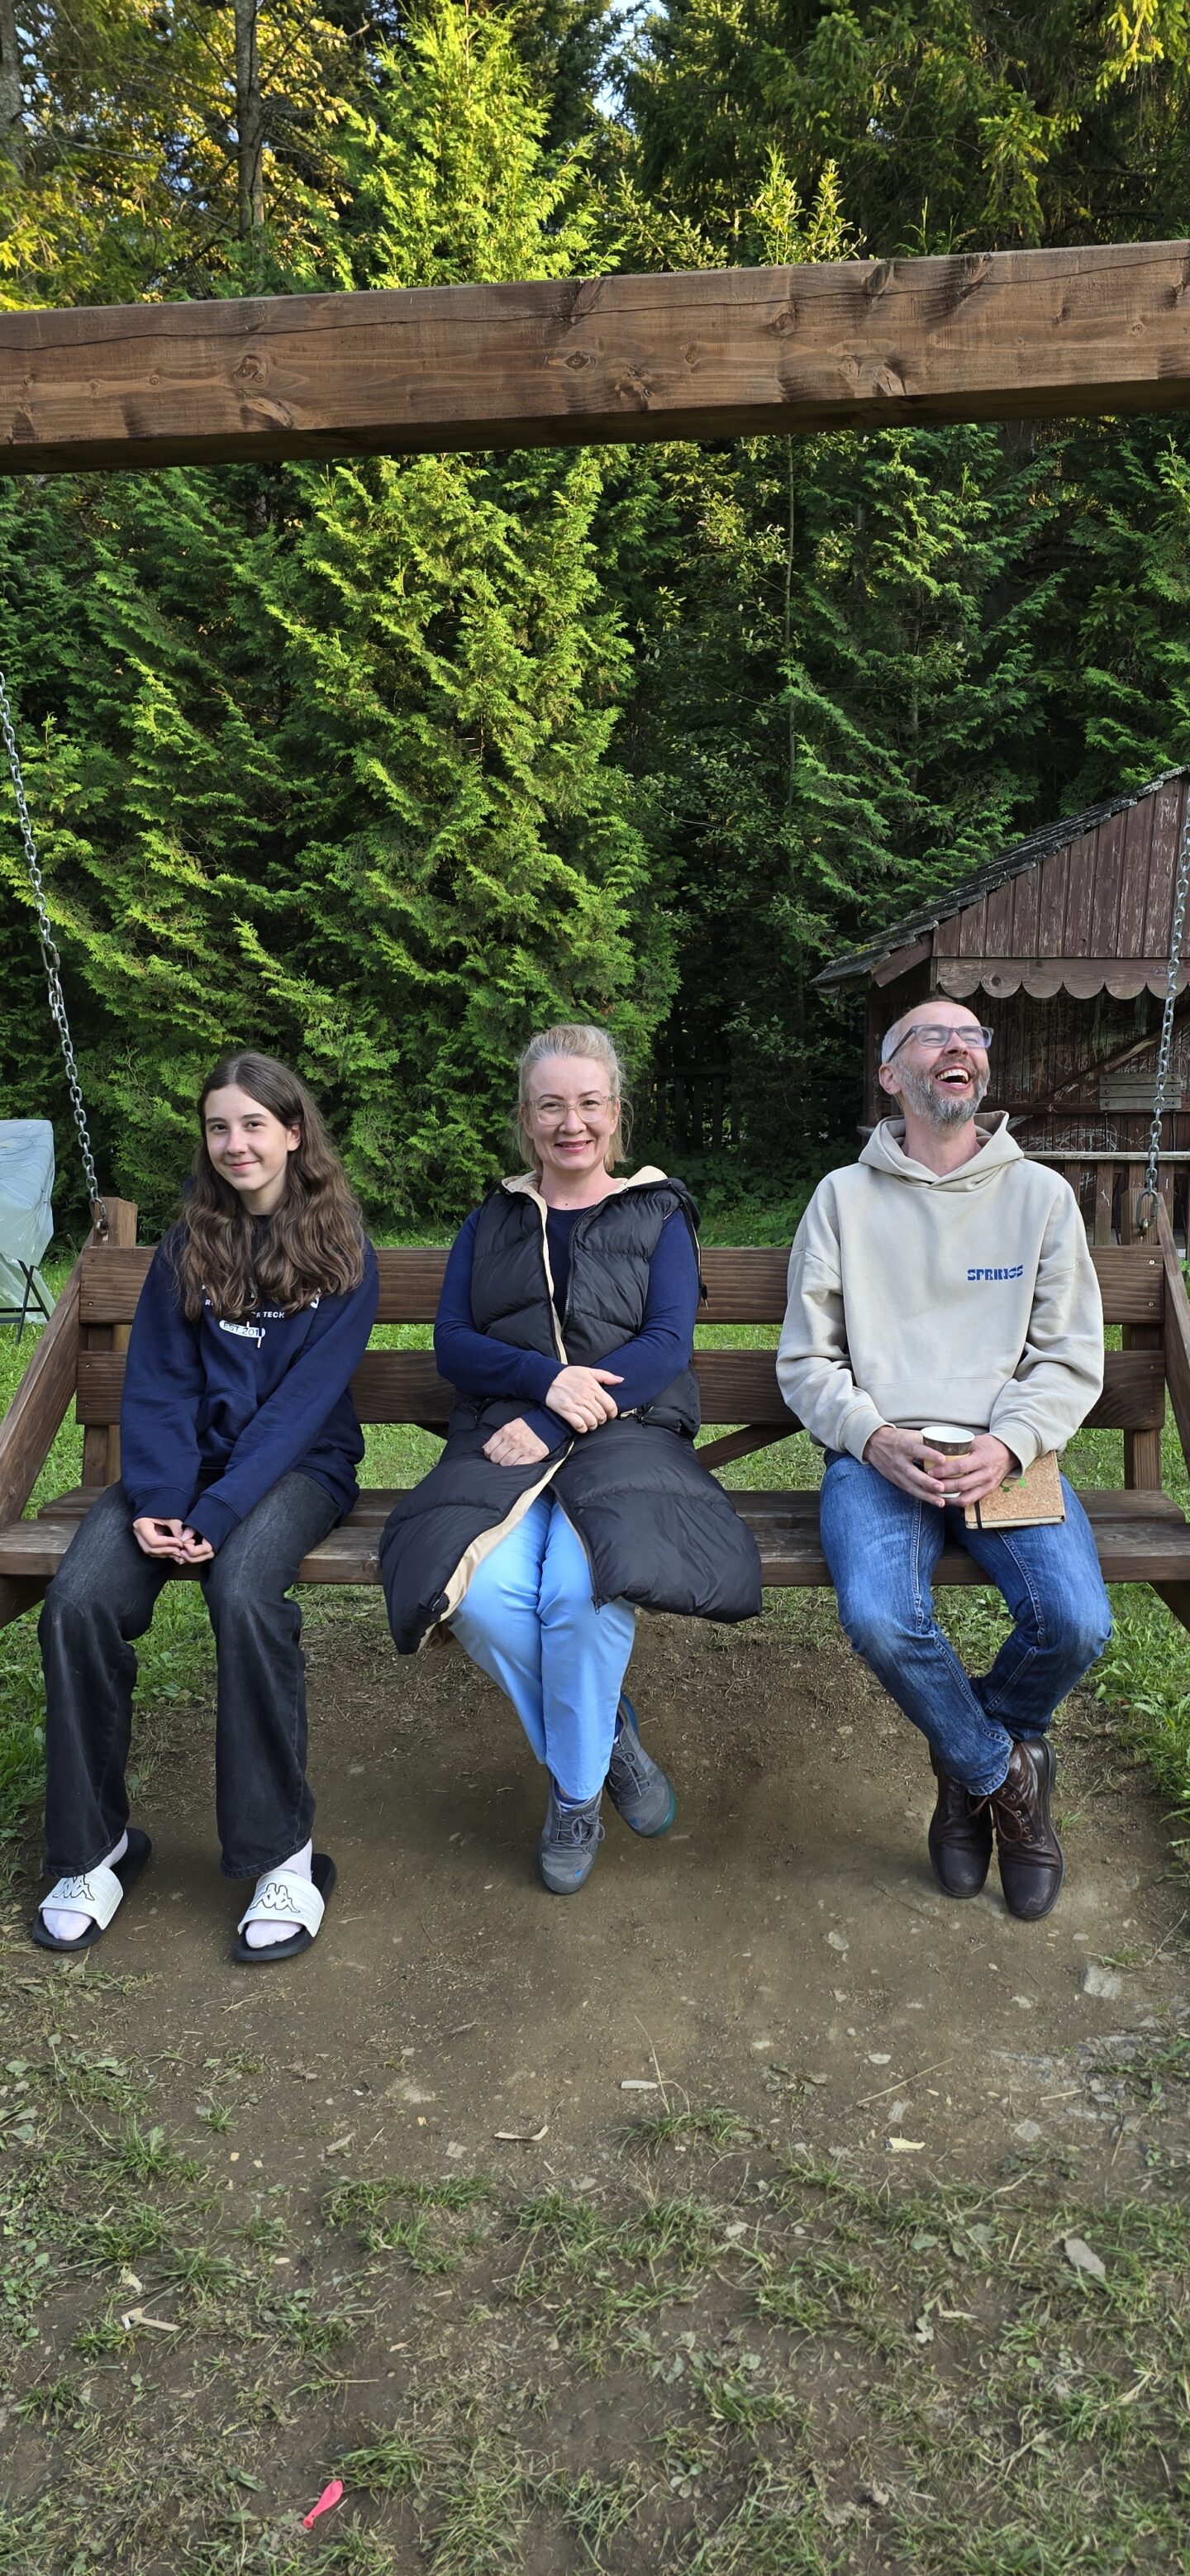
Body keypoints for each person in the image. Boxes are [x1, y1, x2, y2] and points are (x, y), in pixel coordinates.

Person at [379, 1023, 762, 1893]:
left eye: (589, 1104)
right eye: (550, 1106)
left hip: (628, 1436)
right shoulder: (491, 1219)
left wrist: (559, 1420)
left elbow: (666, 1345)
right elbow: (453, 1343)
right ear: (526, 1119)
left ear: (616, 1113)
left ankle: (574, 1796)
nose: (571, 1123)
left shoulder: (659, 1213)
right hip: (502, 1438)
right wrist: (543, 1382)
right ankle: (606, 1740)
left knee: (577, 1595)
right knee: (481, 1598)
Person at [33, 1052, 378, 1963]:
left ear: (293, 1132)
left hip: (301, 1466)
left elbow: (300, 1410)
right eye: (219, 1127)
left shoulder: (343, 1248)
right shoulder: (190, 1243)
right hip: (182, 1472)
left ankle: (282, 1858)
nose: (235, 1144)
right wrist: (159, 1499)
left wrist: (217, 1515)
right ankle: (94, 1850)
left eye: (254, 1124)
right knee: (78, 1602)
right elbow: (157, 1383)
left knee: (243, 1592)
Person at [777, 997, 1111, 1921]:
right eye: (935, 1035)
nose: (960, 1046)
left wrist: (1008, 1444)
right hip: (880, 1454)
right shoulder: (842, 1199)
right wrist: (873, 1436)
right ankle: (1003, 1774)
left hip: (1005, 1451)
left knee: (1077, 1623)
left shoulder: (1039, 1197)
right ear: (891, 1074)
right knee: (881, 1618)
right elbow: (807, 1361)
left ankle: (965, 1763)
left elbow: (1069, 1357)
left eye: (973, 1037)